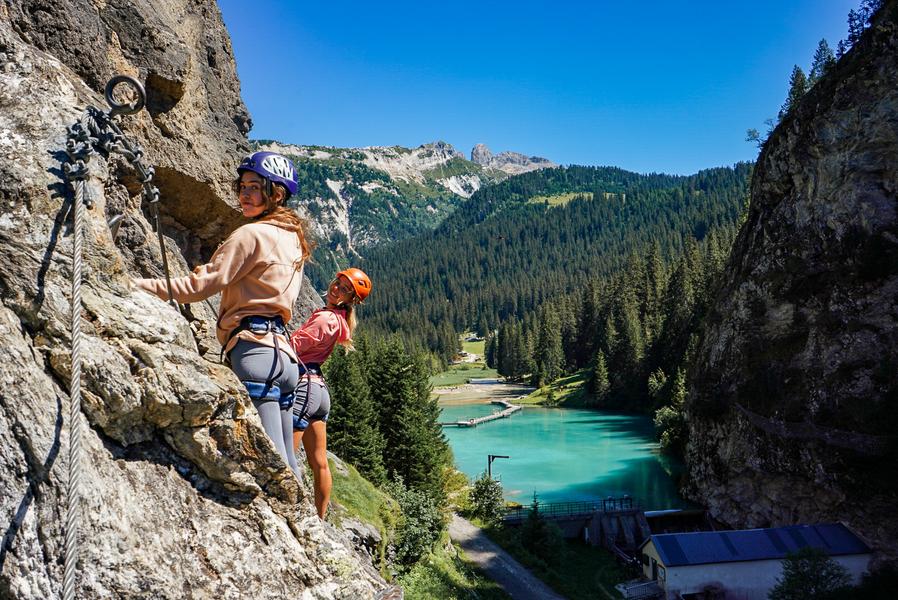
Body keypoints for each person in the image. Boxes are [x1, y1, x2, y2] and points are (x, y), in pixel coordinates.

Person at [134, 151, 312, 479]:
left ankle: (296, 529)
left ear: (276, 193)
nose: (244, 193)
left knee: (273, 467)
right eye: (242, 186)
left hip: (255, 352)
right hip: (285, 360)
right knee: (290, 463)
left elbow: (200, 286)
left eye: (255, 187)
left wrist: (139, 286)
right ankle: (308, 529)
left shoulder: (250, 235)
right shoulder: (293, 240)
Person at [291, 267, 371, 519]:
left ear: (350, 300)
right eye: (339, 282)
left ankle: (281, 507)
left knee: (285, 455)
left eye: (345, 289)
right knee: (319, 462)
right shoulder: (337, 319)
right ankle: (320, 519)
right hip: (318, 391)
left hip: (304, 387)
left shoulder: (326, 318)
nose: (337, 288)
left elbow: (295, 346)